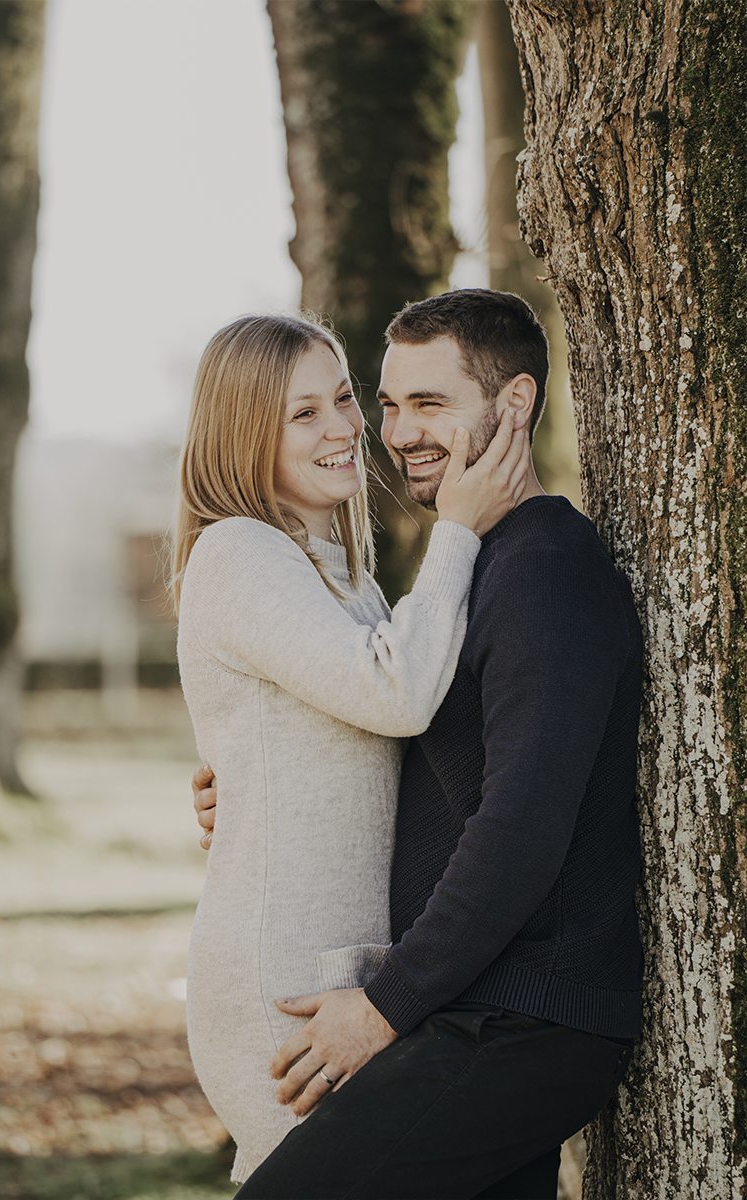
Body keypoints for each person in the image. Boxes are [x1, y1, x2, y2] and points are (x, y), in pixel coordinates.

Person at [196, 290, 643, 1200]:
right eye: (388, 403)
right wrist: (245, 778)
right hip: (473, 1005)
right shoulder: (474, 570)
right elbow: (397, 719)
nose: (391, 433)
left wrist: (388, 1006)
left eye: (426, 404)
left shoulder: (541, 569)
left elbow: (518, 822)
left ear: (513, 406)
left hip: (514, 1016)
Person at [174, 311, 530, 1186]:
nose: (343, 429)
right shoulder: (236, 550)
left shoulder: (342, 573)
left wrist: (242, 786)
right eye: (305, 413)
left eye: (343, 400)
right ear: (244, 428)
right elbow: (395, 694)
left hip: (348, 973)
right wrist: (460, 527)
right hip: (279, 978)